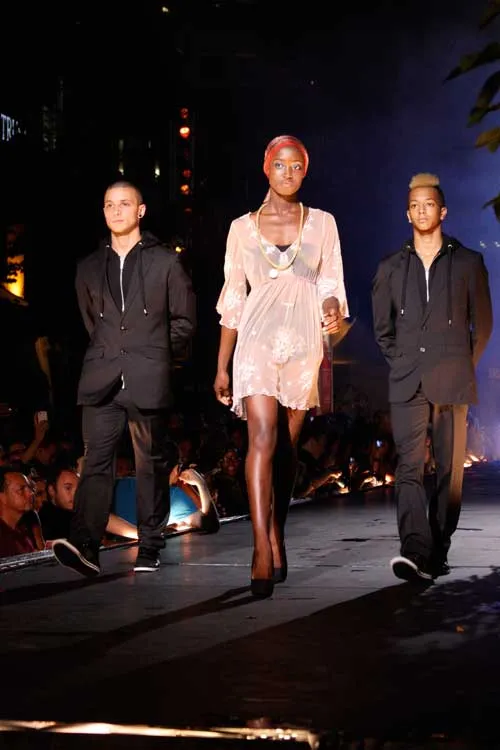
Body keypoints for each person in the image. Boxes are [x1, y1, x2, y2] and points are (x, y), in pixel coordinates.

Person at [214, 134, 349, 597]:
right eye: (280, 164)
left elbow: (331, 283)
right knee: (262, 438)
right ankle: (258, 547)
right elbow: (233, 300)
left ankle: (277, 530)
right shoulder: (241, 228)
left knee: (287, 449)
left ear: (304, 172)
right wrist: (222, 366)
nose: (288, 173)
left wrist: (330, 306)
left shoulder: (323, 223)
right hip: (255, 340)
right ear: (266, 167)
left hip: (303, 343)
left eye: (297, 166)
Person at [52, 180, 196, 577]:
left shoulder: (165, 262)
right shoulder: (87, 267)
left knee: (149, 463)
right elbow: (92, 323)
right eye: (109, 205)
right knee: (96, 461)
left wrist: (155, 354)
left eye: (124, 204)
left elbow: (184, 321)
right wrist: (113, 351)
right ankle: (86, 545)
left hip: (147, 375)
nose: (116, 211)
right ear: (103, 212)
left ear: (140, 210)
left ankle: (150, 545)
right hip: (101, 375)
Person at [371, 173, 493, 582]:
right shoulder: (390, 267)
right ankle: (415, 549)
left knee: (449, 472)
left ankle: (438, 547)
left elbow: (483, 325)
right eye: (415, 205)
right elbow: (383, 329)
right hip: (407, 380)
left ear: (442, 211)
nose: (422, 211)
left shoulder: (468, 262)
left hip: (453, 378)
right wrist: (402, 362)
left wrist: (461, 363)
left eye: (429, 204)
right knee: (408, 466)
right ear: (407, 214)